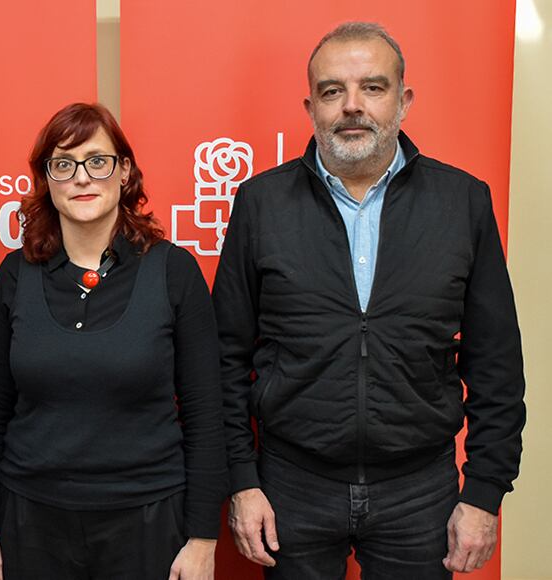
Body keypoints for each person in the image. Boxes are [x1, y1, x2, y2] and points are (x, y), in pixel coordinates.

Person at [214, 22, 525, 578]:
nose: (352, 106)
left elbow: (497, 364)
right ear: (311, 106)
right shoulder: (260, 204)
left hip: (421, 492)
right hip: (291, 487)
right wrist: (241, 480)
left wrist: (483, 493)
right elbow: (225, 358)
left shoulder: (464, 203)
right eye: (333, 91)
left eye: (373, 88)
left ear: (403, 101)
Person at [0, 103, 227, 580]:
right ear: (47, 179)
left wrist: (203, 538)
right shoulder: (14, 275)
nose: (82, 178)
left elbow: (207, 413)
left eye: (97, 161)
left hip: (149, 520)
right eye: (63, 164)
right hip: (31, 520)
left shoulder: (173, 271)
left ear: (124, 170)